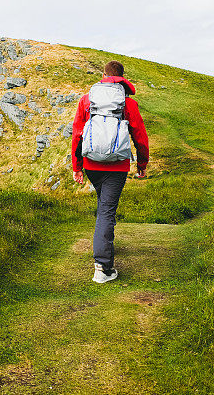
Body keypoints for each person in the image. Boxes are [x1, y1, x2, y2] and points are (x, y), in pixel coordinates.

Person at [71, 61, 149, 283]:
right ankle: (102, 268)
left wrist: (77, 167)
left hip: (91, 163)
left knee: (104, 207)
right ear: (122, 78)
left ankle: (104, 247)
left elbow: (77, 135)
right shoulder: (128, 104)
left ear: (103, 75)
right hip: (117, 166)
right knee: (106, 211)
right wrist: (141, 164)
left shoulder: (87, 100)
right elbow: (140, 137)